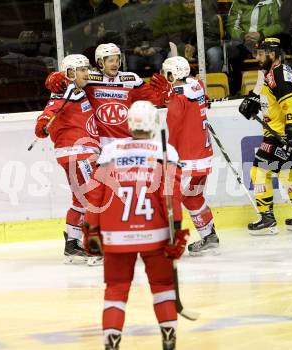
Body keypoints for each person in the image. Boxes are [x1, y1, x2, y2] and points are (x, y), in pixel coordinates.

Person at [83, 100, 190, 350]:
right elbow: (171, 198)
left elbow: (95, 196)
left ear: (130, 123)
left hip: (116, 236)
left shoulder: (110, 152)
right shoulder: (166, 152)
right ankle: (168, 340)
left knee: (116, 290)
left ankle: (111, 343)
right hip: (156, 234)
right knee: (163, 287)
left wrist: (90, 229)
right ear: (154, 122)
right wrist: (176, 232)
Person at [34, 54, 101, 265]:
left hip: (75, 152)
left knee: (80, 200)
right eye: (81, 70)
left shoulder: (77, 90)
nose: (86, 73)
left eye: (86, 69)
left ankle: (72, 244)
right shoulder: (65, 92)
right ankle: (94, 248)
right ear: (70, 73)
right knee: (94, 198)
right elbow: (50, 109)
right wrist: (43, 123)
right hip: (77, 151)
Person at [150, 56, 219, 255]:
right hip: (203, 157)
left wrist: (167, 98)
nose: (164, 76)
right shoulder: (197, 85)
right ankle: (209, 235)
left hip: (188, 159)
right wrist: (168, 95)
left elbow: (174, 120)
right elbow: (194, 93)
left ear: (172, 75)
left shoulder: (178, 98)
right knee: (192, 196)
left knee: (167, 198)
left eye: (166, 73)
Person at [239, 38, 292, 235]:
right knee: (287, 172)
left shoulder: (280, 74)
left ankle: (267, 218)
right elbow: (261, 90)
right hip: (276, 132)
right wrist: (251, 99)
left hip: (281, 135)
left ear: (272, 55)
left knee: (259, 171)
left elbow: (291, 103)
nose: (257, 57)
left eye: (261, 54)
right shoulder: (268, 72)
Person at [45, 43, 167, 147]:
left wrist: (164, 93)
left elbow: (156, 99)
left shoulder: (131, 79)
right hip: (100, 143)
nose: (115, 64)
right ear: (100, 62)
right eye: (110, 60)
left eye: (117, 60)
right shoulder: (89, 78)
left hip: (127, 141)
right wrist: (55, 77)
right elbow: (66, 80)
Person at [225, 0, 283, 93]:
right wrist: (243, 36)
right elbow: (231, 26)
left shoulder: (273, 2)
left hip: (265, 39)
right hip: (244, 40)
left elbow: (279, 26)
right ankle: (238, 86)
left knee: (272, 51)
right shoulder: (237, 2)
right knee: (232, 50)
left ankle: (273, 85)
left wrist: (261, 34)